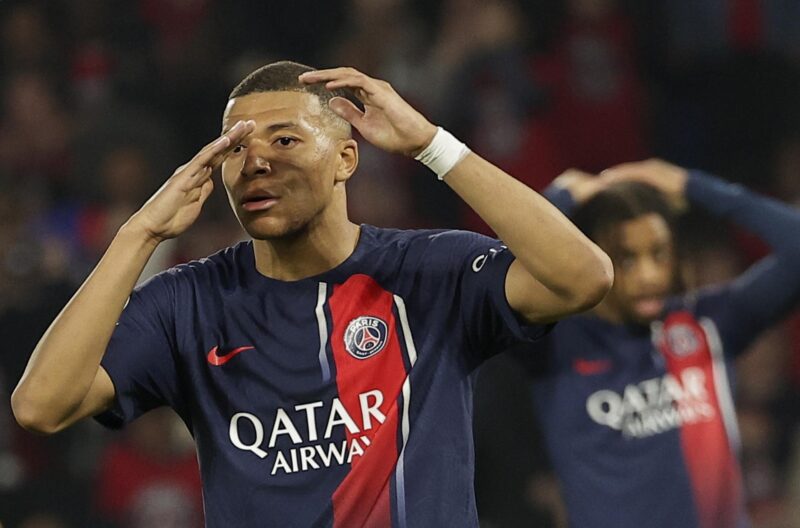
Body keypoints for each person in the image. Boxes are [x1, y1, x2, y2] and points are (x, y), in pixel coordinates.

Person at [11, 61, 612, 528]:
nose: (255, 162)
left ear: (346, 158)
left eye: (284, 141)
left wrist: (433, 145)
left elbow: (583, 277)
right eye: (236, 148)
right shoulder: (187, 303)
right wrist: (138, 234)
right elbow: (41, 406)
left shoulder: (428, 272)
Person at [521, 159, 800, 528]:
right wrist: (558, 201)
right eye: (626, 259)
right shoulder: (553, 340)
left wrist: (694, 185)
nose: (649, 276)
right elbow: (493, 281)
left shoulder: (707, 324)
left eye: (659, 253)